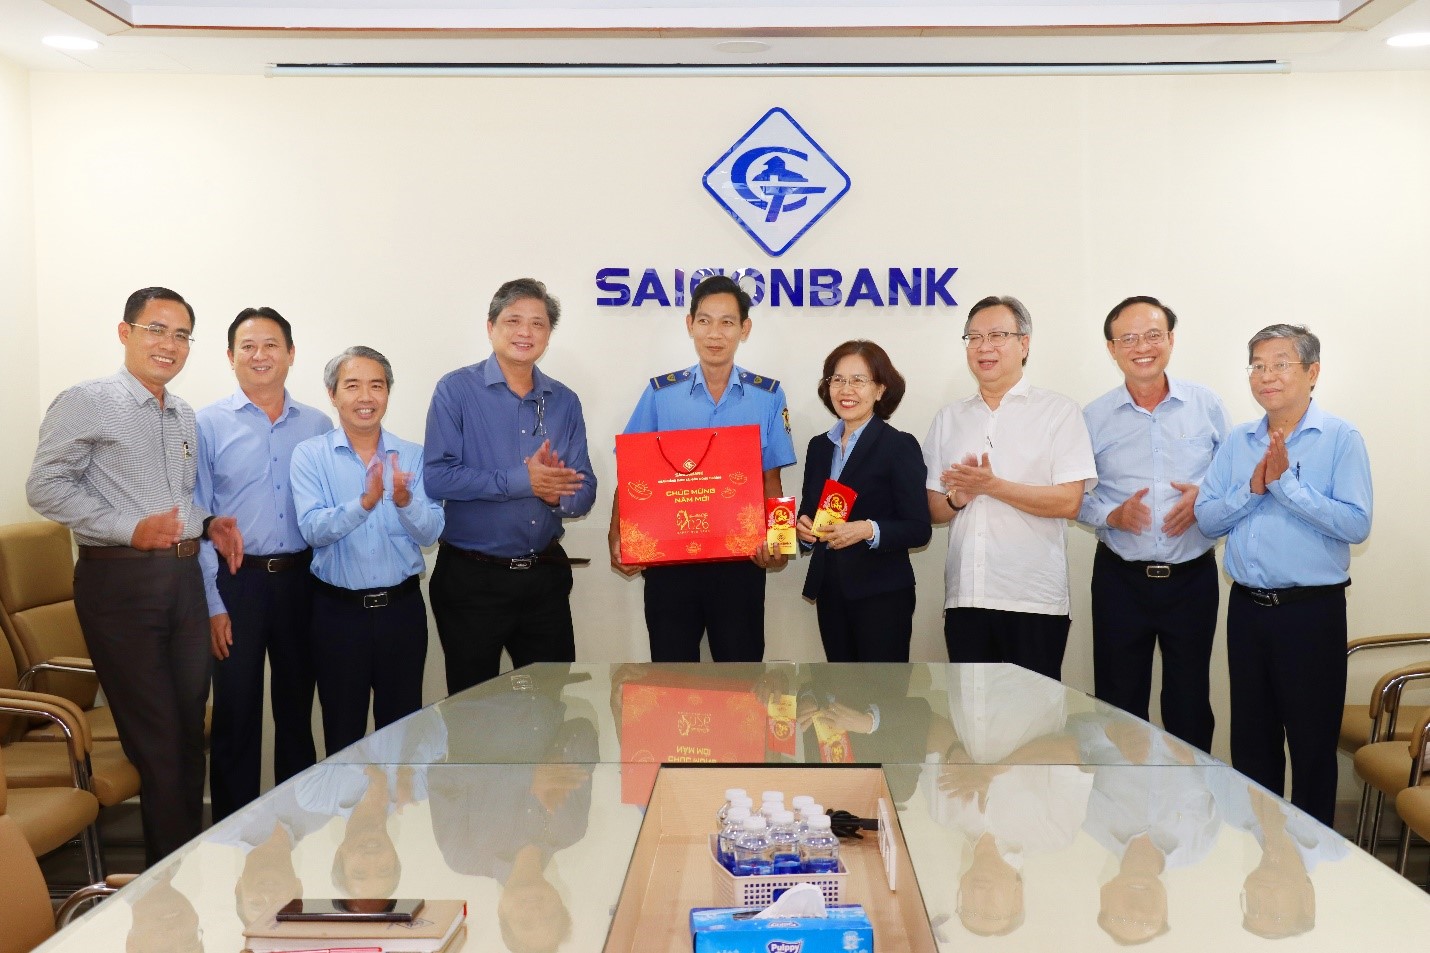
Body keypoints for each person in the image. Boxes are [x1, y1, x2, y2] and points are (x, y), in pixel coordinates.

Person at [26, 286, 243, 864]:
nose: (169, 344)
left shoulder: (183, 413)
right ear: (126, 333)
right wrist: (129, 528)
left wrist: (210, 523)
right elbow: (44, 486)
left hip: (182, 583)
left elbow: (173, 502)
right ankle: (170, 886)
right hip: (120, 585)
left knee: (188, 734)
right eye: (156, 329)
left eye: (181, 334)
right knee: (159, 742)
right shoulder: (87, 401)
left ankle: (180, 867)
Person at [1195, 324, 1372, 826]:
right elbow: (1207, 519)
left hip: (1309, 614)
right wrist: (1253, 490)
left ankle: (1313, 859)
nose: (1266, 375)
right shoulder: (1238, 440)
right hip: (1248, 610)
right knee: (1252, 742)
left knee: (1312, 746)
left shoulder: (1340, 438)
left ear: (1312, 372)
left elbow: (1356, 524)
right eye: (1257, 365)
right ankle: (1261, 851)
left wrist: (1286, 486)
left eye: (1280, 364)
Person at [608, 275, 796, 662]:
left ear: (744, 329)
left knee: (742, 677)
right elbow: (632, 472)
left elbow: (772, 479)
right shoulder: (661, 394)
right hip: (670, 564)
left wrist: (781, 542)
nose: (715, 333)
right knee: (672, 678)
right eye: (705, 321)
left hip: (740, 562)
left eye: (727, 322)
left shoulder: (767, 396)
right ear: (690, 324)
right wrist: (619, 536)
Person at [423, 279, 596, 696]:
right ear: (491, 327)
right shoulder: (455, 390)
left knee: (550, 704)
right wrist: (523, 481)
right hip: (472, 580)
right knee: (473, 708)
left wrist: (556, 496)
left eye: (537, 323)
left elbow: (585, 489)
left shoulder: (565, 401)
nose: (525, 332)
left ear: (548, 335)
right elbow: (438, 477)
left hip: (544, 579)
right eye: (513, 320)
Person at [196, 307, 333, 822]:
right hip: (236, 584)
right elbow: (197, 518)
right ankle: (232, 834)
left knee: (297, 711)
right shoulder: (206, 425)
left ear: (291, 354)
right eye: (248, 346)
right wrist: (212, 604)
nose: (260, 355)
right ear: (230, 356)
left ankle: (300, 826)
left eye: (271, 345)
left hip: (302, 582)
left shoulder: (318, 426)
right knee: (235, 713)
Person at [1077, 296, 1229, 751]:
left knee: (1189, 704)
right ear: (1112, 348)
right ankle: (1123, 800)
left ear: (1171, 340)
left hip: (1192, 579)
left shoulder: (1206, 405)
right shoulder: (1093, 417)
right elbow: (1072, 495)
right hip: (1120, 579)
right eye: (1128, 338)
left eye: (1152, 335)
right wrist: (1110, 515)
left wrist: (1205, 498)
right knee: (1118, 707)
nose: (1142, 347)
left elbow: (1235, 480)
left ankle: (1188, 795)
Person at [922, 295, 1097, 680]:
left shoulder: (1059, 412)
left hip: (1033, 600)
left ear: (1024, 344)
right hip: (966, 598)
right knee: (969, 711)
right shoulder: (949, 418)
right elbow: (933, 509)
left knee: (1033, 714)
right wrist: (957, 499)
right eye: (974, 337)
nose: (984, 346)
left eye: (997, 335)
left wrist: (993, 486)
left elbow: (1069, 502)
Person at [291, 346, 444, 754]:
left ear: (388, 393)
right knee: (344, 737)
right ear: (332, 393)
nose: (365, 397)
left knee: (403, 734)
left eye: (376, 386)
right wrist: (365, 502)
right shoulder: (310, 456)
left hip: (401, 612)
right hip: (338, 615)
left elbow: (431, 533)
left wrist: (404, 501)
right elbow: (312, 530)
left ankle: (399, 799)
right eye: (352, 386)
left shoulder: (412, 456)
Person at [795, 340, 930, 662]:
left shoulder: (898, 445)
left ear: (880, 389)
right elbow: (809, 511)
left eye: (859, 380)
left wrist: (867, 530)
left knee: (881, 688)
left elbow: (918, 528)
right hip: (829, 589)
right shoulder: (819, 447)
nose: (846, 389)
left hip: (882, 593)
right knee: (838, 688)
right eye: (838, 379)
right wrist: (804, 532)